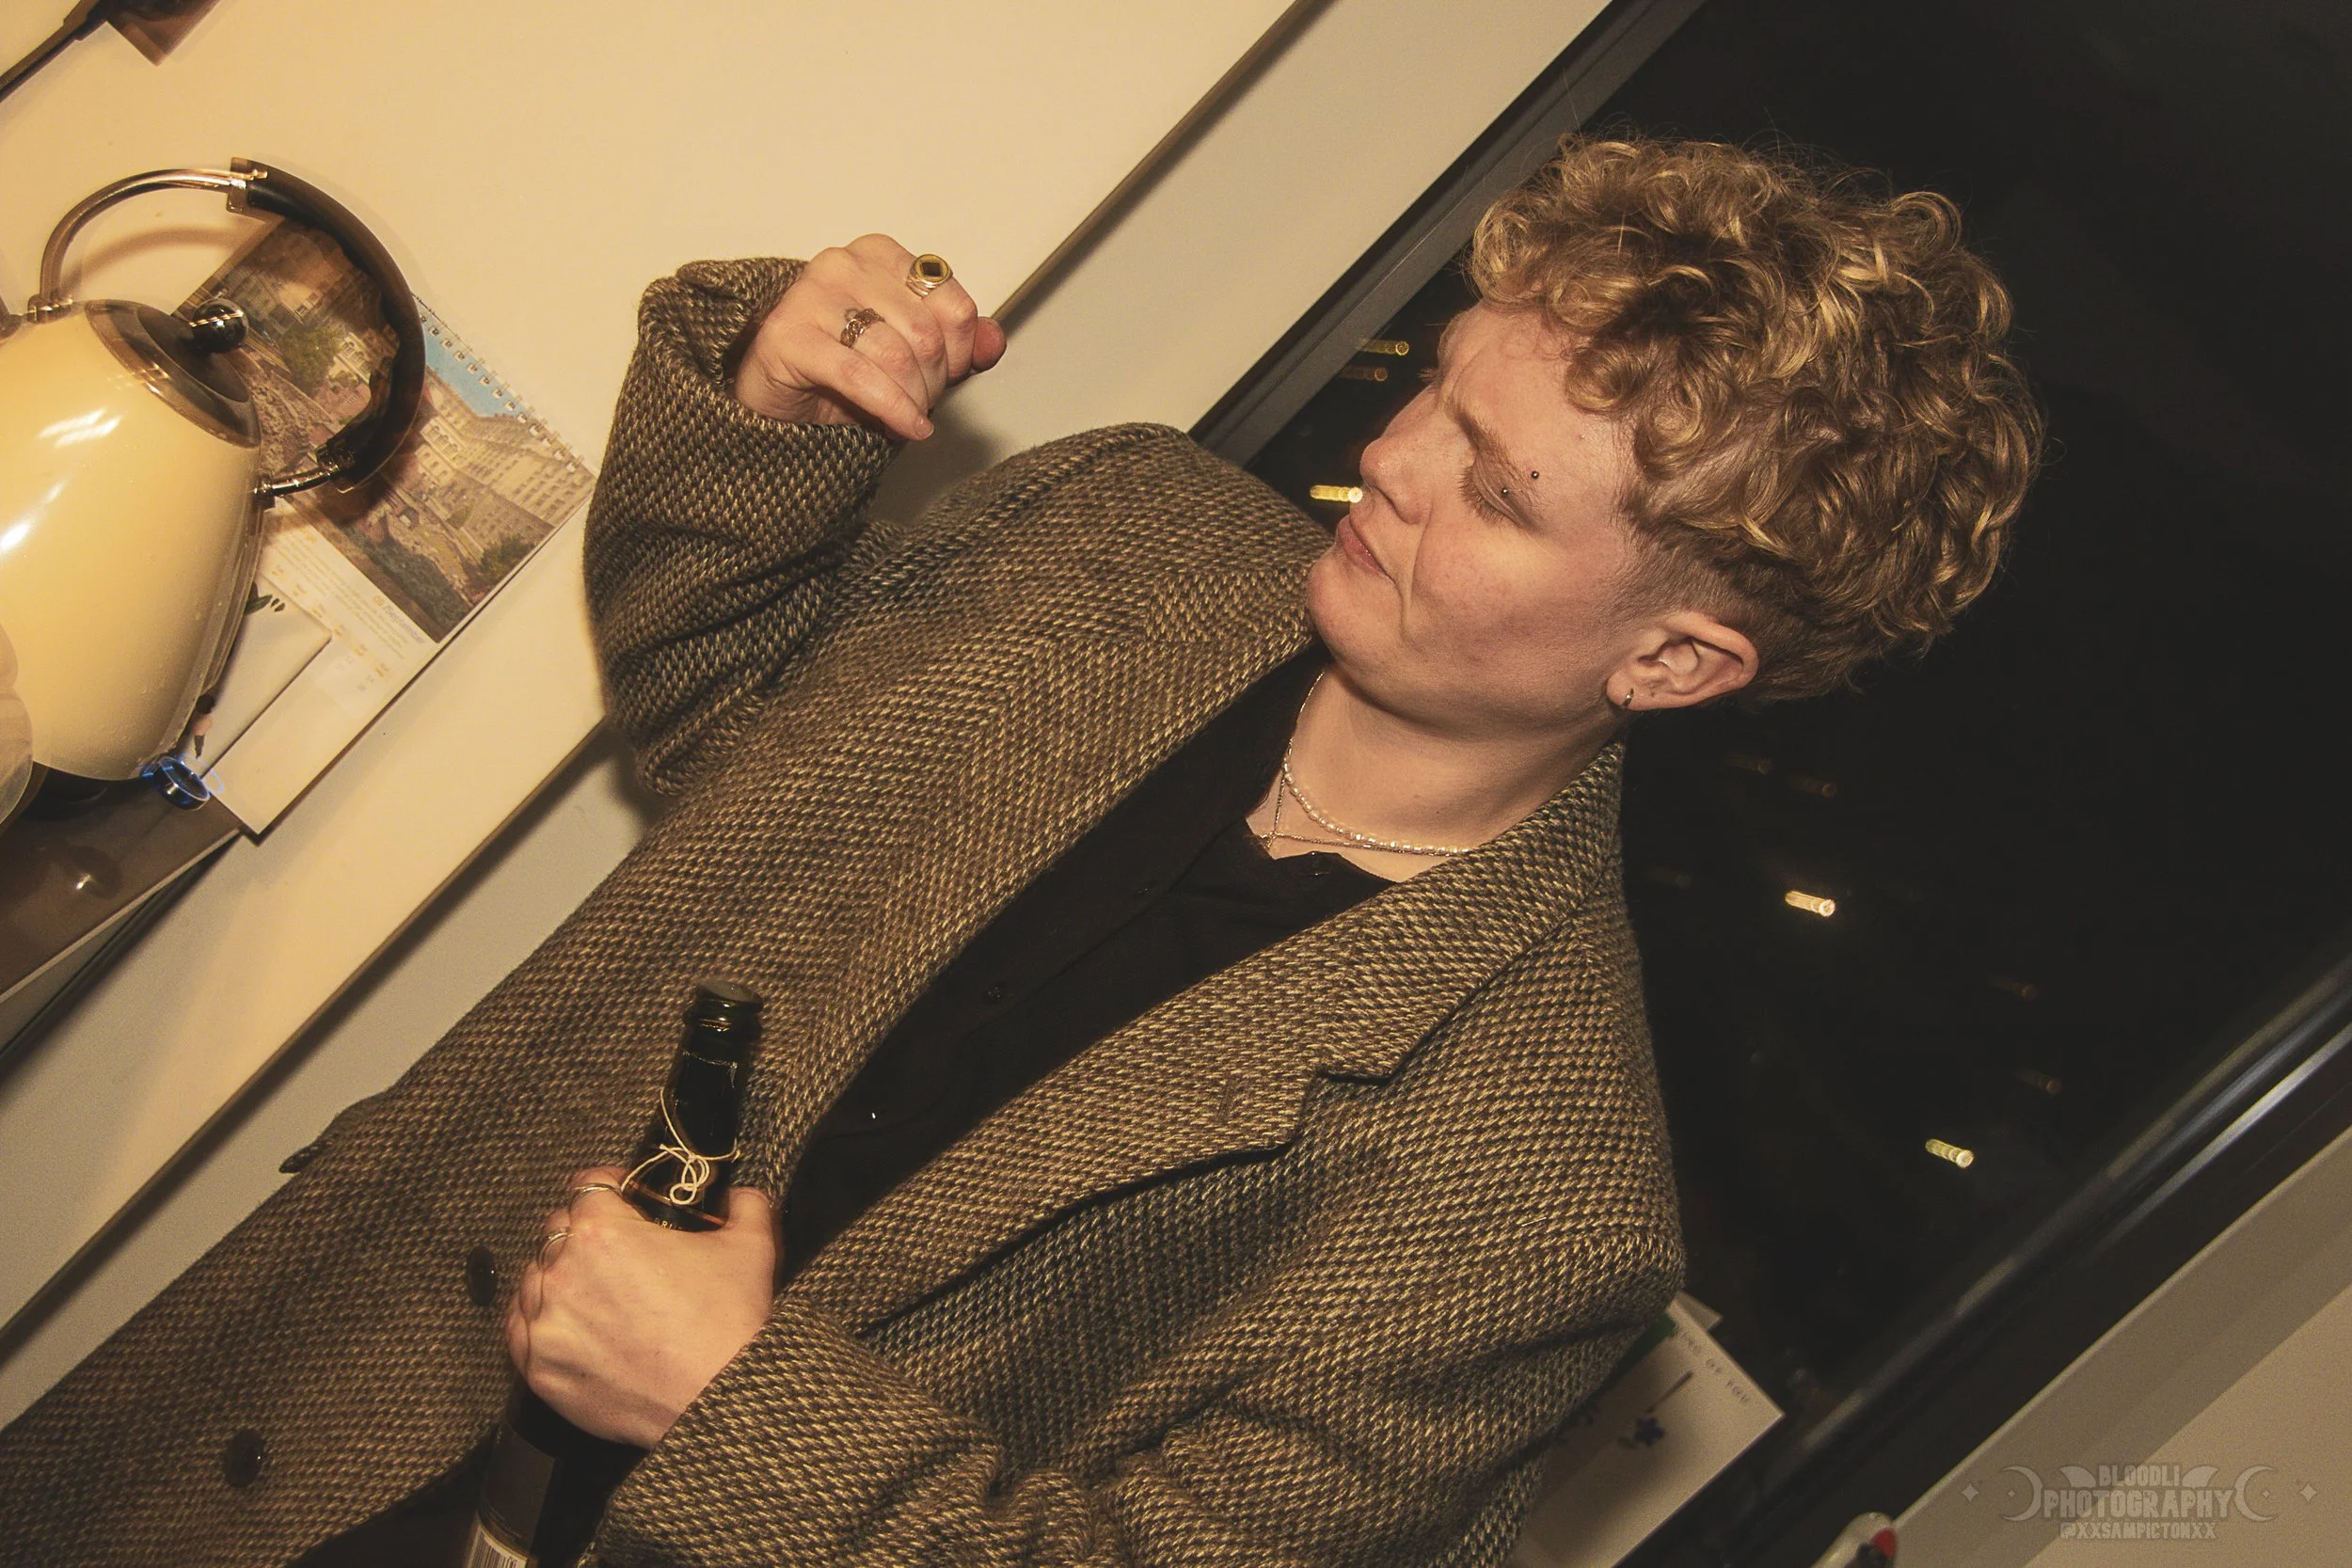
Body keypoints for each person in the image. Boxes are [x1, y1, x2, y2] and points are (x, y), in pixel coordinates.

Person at [0, 135, 2039, 1565]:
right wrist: (771, 405)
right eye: (1432, 392)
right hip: (254, 1420)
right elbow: (727, 724)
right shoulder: (1130, 536)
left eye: (1496, 493)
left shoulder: (1534, 1208)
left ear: (1674, 653)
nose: (1394, 463)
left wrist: (730, 1408)